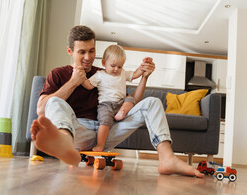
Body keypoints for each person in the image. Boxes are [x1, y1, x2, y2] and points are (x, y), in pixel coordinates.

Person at [30, 25, 204, 178]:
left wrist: (144, 77)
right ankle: (65, 145)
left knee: (152, 102)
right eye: (81, 52)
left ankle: (167, 159)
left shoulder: (108, 72)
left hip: (107, 132)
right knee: (54, 102)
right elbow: (42, 110)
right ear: (70, 51)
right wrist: (74, 82)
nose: (88, 57)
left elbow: (132, 102)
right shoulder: (59, 74)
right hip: (77, 131)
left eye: (91, 50)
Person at [81, 44, 151, 152]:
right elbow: (89, 85)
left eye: (119, 66)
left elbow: (135, 74)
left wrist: (142, 67)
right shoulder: (99, 75)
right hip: (106, 105)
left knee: (131, 100)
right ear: (104, 63)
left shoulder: (123, 73)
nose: (116, 69)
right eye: (113, 66)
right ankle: (100, 144)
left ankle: (122, 112)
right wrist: (81, 77)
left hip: (121, 102)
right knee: (104, 122)